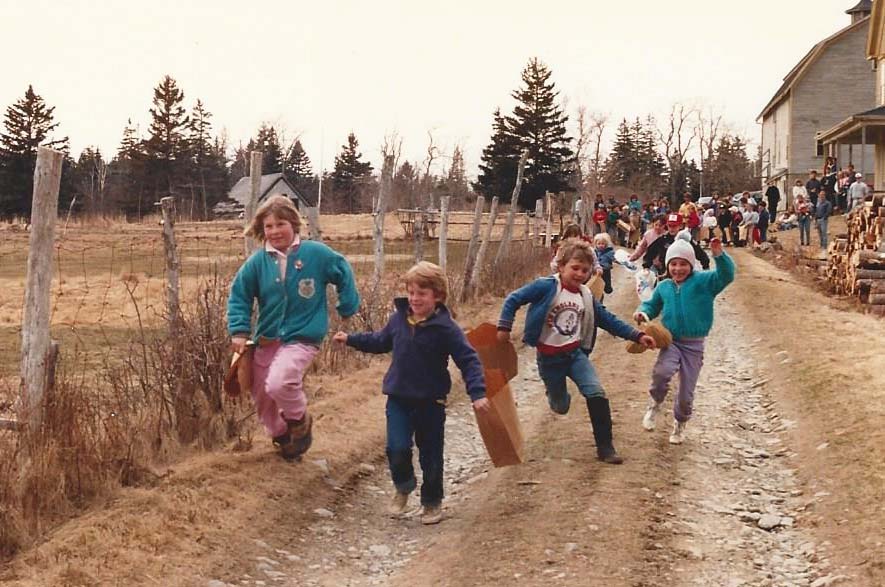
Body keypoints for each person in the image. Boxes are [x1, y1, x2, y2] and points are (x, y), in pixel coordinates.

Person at [333, 262, 488, 525]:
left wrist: (478, 393)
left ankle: (431, 502)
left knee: (431, 454)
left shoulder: (447, 328)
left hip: (431, 401)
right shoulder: (398, 319)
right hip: (399, 398)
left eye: (422, 293)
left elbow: (469, 360)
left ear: (437, 296)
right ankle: (403, 485)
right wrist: (351, 339)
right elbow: (380, 341)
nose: (415, 298)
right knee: (397, 447)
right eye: (411, 292)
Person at [496, 239, 655, 464]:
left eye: (585, 270)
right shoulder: (546, 286)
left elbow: (607, 320)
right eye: (575, 268)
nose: (580, 274)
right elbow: (514, 299)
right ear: (561, 266)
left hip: (575, 355)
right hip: (549, 359)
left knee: (596, 392)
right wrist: (504, 327)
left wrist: (637, 335)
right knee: (561, 407)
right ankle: (554, 395)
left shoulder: (586, 296)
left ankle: (605, 448)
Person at [228, 195, 360, 461]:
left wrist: (347, 306)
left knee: (280, 381)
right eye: (269, 226)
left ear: (294, 225)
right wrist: (240, 331)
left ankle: (300, 421)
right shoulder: (258, 262)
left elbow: (342, 270)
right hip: (267, 337)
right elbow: (239, 294)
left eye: (281, 224)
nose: (275, 231)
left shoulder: (316, 254)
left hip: (303, 335)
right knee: (263, 394)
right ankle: (282, 438)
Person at [634, 237, 735, 444]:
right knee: (661, 373)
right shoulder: (664, 287)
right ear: (667, 264)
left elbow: (726, 276)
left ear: (691, 264)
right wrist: (643, 313)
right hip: (671, 341)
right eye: (673, 264)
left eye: (683, 264)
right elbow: (651, 305)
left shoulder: (704, 282)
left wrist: (719, 255)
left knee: (685, 392)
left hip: (694, 345)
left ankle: (680, 423)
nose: (678, 269)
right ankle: (655, 404)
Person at [644, 213, 710, 273]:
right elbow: (650, 253)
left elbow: (701, 254)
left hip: (684, 274)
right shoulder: (663, 239)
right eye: (669, 226)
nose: (671, 229)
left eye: (674, 226)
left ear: (681, 226)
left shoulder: (687, 239)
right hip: (666, 274)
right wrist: (646, 267)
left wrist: (706, 267)